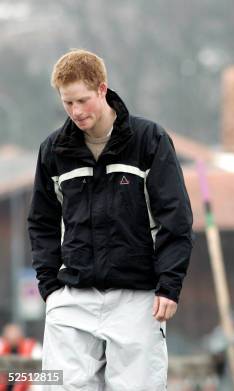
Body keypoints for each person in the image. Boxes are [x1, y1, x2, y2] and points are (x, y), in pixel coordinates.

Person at [27, 49, 193, 390]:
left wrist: (169, 286)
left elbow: (175, 219)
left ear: (102, 89)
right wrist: (50, 288)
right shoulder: (53, 150)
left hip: (138, 299)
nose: (75, 111)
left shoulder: (149, 140)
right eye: (67, 103)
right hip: (71, 297)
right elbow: (41, 222)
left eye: (82, 100)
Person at [0, 323, 42, 391]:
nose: (12, 337)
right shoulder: (1, 347)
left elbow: (39, 374)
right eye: (10, 333)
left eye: (15, 333)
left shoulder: (33, 348)